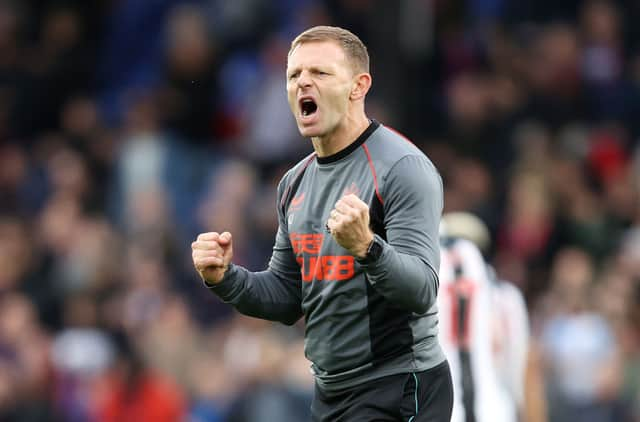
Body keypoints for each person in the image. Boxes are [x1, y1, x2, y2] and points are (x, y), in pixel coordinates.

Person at [191, 26, 453, 421]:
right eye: (294, 75)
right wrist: (225, 278)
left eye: (320, 73)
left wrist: (368, 247)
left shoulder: (403, 168)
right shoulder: (294, 182)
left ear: (358, 86)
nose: (303, 83)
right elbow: (286, 298)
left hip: (399, 386)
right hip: (331, 393)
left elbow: (421, 290)